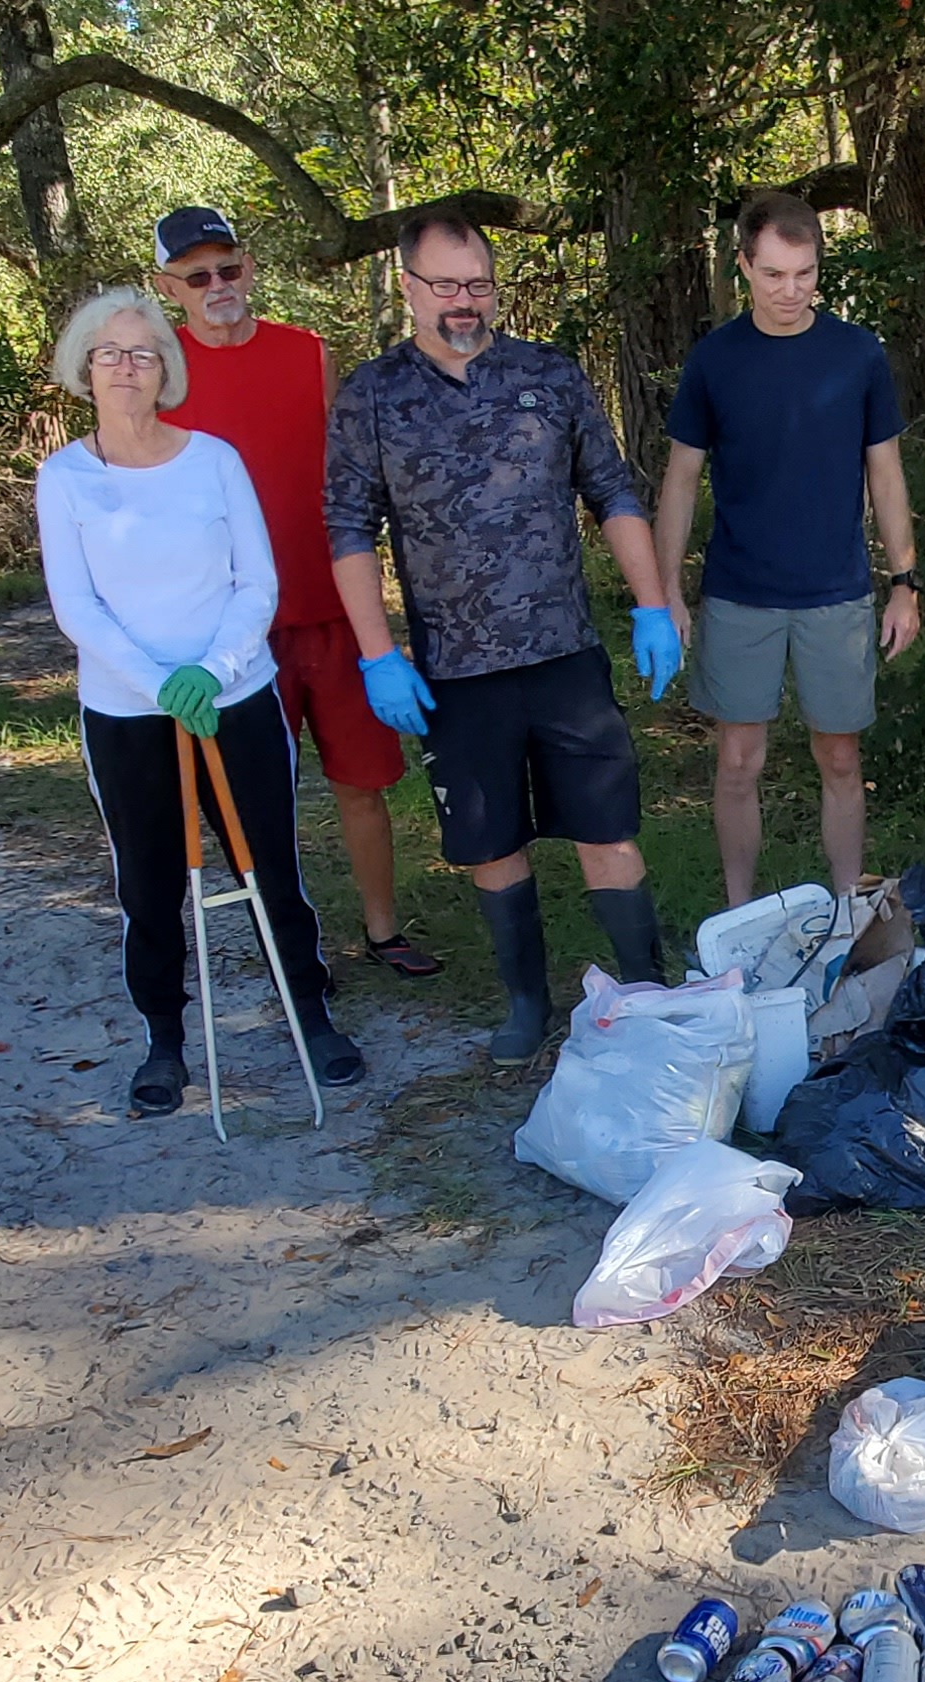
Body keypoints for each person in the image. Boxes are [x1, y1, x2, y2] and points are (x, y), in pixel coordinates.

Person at [323, 214, 687, 1065]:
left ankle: (645, 990)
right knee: (492, 842)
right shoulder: (373, 396)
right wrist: (378, 653)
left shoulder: (547, 375)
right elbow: (347, 529)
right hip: (456, 670)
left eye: (478, 284)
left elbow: (611, 492)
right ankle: (527, 1002)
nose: (463, 302)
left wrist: (653, 604)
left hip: (564, 655)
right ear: (407, 288)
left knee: (607, 829)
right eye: (445, 285)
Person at [34, 288, 363, 1115]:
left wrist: (211, 673)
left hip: (236, 699)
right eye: (110, 353)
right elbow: (77, 609)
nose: (126, 367)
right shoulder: (65, 476)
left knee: (271, 868)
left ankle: (309, 1014)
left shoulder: (213, 459)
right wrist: (160, 686)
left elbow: (257, 584)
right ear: (84, 367)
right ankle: (164, 1040)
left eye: (143, 353)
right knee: (147, 885)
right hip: (127, 712)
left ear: (166, 371)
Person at [148, 204, 443, 979]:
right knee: (255, 803)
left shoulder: (307, 353)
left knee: (362, 783)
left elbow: (350, 475)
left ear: (249, 268)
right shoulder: (157, 372)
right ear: (167, 286)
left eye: (230, 268)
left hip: (333, 611)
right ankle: (289, 951)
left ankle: (383, 932)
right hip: (232, 629)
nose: (219, 286)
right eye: (199, 275)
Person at [651, 190, 920, 906]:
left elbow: (885, 473)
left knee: (839, 754)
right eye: (773, 273)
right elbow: (680, 479)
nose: (789, 290)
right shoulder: (715, 360)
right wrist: (667, 592)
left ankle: (847, 910)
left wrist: (905, 581)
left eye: (804, 273)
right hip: (740, 590)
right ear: (744, 266)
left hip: (837, 593)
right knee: (738, 759)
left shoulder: (857, 354)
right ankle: (738, 915)